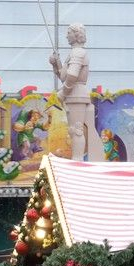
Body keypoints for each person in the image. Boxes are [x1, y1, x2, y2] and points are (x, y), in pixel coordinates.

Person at [49, 23, 97, 162]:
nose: (66, 35)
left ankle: (77, 160)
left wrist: (63, 92)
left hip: (76, 94)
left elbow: (72, 76)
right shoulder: (74, 53)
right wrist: (56, 63)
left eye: (69, 33)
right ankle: (77, 159)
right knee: (73, 129)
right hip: (73, 94)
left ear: (76, 35)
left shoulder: (78, 52)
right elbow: (64, 76)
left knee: (76, 130)